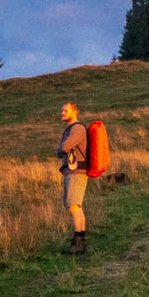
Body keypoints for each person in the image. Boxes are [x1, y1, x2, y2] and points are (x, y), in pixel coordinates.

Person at [57, 102, 88, 255]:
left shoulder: (77, 128)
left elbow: (63, 147)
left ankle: (77, 244)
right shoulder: (73, 128)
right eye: (62, 110)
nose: (62, 113)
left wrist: (61, 147)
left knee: (73, 206)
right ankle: (81, 242)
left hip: (76, 172)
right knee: (77, 207)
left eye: (65, 111)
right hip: (76, 172)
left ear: (74, 112)